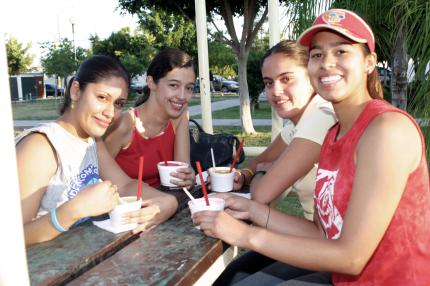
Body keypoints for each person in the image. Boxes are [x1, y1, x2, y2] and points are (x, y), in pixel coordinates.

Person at [193, 9, 430, 285]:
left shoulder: (387, 130)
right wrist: (252, 211)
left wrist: (246, 236)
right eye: (317, 55)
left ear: (369, 63)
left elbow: (351, 257)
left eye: (341, 51)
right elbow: (321, 233)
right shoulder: (332, 135)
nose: (327, 63)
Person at [16, 55, 178, 246]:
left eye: (118, 104)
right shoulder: (40, 146)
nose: (110, 113)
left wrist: (167, 202)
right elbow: (11, 236)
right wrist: (74, 210)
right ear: (76, 91)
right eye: (102, 97)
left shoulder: (92, 140)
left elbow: (124, 186)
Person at [233, 40, 336, 221]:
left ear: (311, 78)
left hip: (327, 241)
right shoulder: (298, 123)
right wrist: (244, 174)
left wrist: (263, 171)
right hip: (316, 233)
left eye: (286, 79)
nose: (276, 91)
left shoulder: (321, 116)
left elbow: (261, 195)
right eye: (269, 83)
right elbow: (261, 159)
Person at [103, 48, 195, 189]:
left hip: (164, 202)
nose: (182, 96)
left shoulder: (181, 116)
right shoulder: (124, 125)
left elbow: (182, 168)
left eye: (189, 88)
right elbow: (95, 178)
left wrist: (187, 177)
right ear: (151, 82)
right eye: (173, 85)